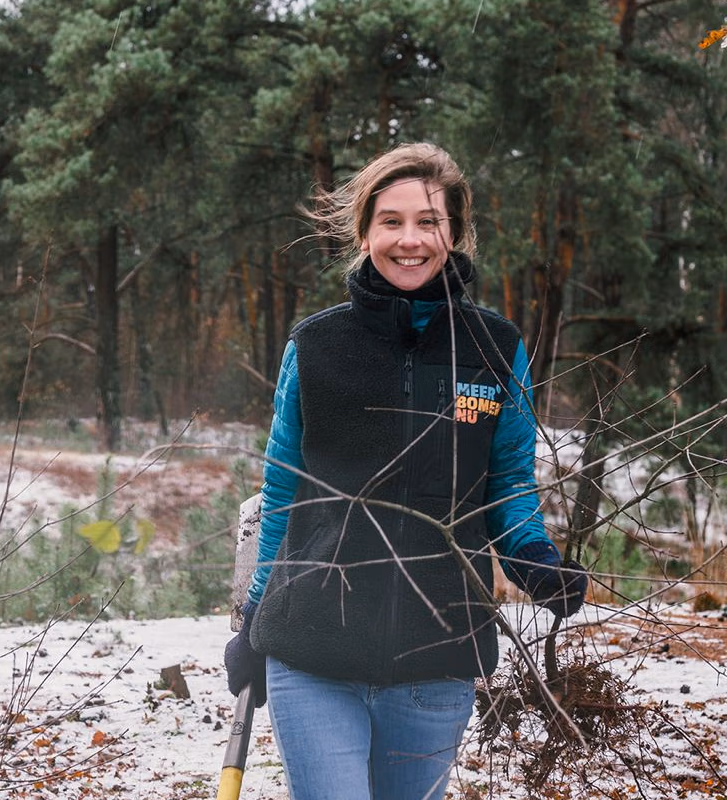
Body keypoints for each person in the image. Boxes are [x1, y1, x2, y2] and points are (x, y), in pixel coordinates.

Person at [224, 142, 588, 800]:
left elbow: (507, 485)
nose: (410, 239)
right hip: (313, 650)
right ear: (365, 231)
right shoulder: (316, 346)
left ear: (455, 231)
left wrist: (535, 559)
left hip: (437, 655)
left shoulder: (493, 348)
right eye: (391, 221)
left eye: (429, 221)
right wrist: (253, 618)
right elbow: (281, 495)